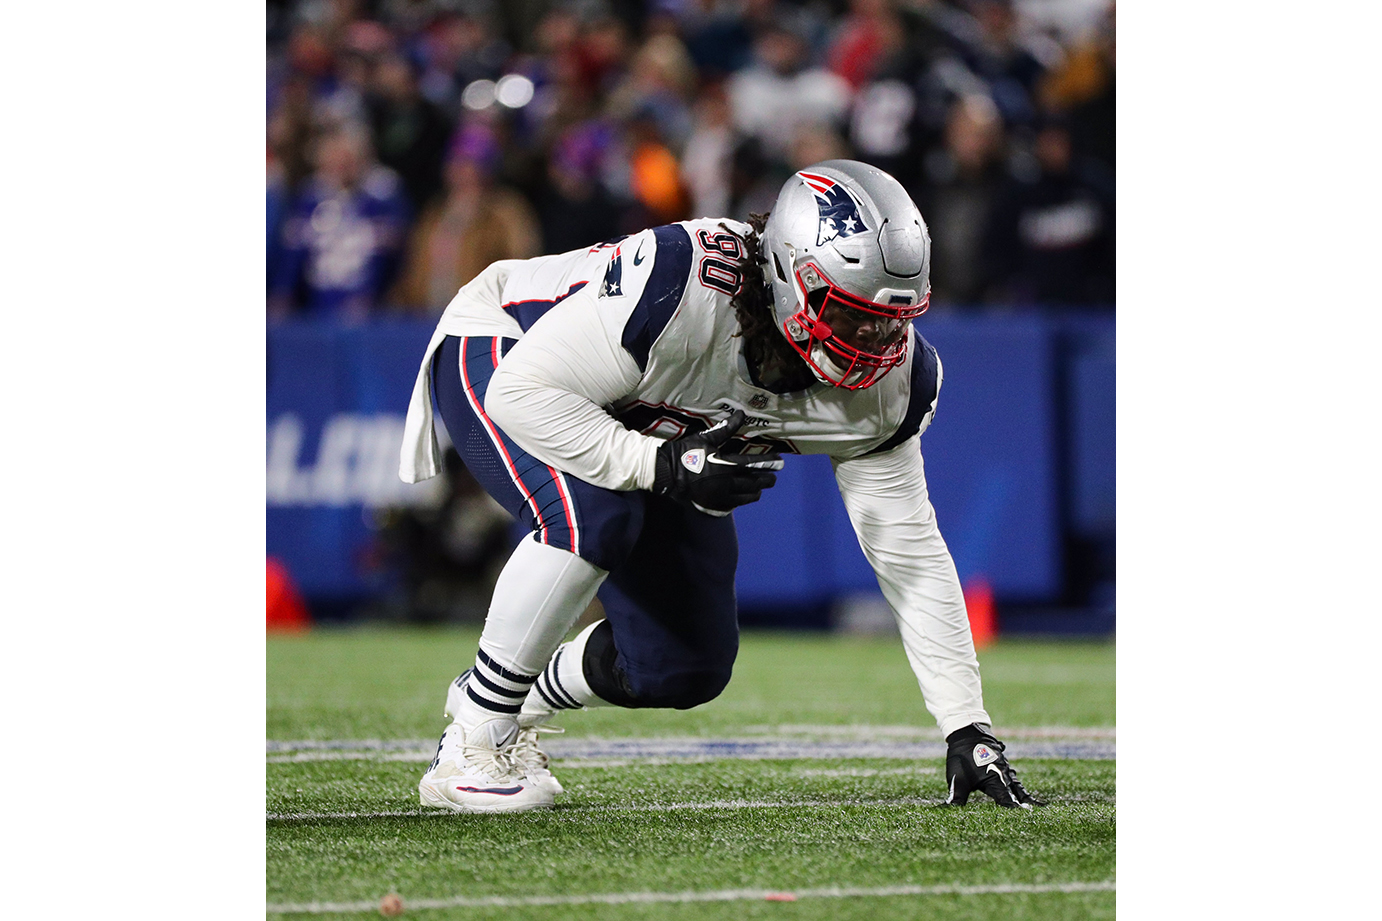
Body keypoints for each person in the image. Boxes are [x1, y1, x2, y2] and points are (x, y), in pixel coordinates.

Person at [398, 159, 1042, 813]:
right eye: (850, 315)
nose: (874, 341)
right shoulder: (681, 284)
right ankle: (476, 734)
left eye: (889, 319)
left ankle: (516, 692)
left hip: (648, 420)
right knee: (596, 511)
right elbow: (522, 395)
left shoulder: (890, 387)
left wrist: (968, 726)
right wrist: (662, 467)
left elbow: (910, 555)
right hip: (510, 347)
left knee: (683, 663)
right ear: (792, 275)